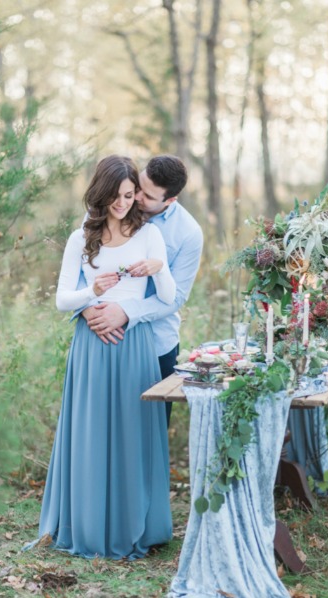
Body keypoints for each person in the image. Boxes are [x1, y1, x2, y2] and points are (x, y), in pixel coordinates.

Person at [34, 155, 175, 560]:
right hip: (92, 348)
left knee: (133, 433)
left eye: (129, 195)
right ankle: (90, 523)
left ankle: (137, 523)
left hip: (134, 346)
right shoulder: (81, 237)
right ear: (101, 194)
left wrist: (158, 269)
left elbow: (167, 297)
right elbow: (63, 299)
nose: (123, 203)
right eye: (115, 196)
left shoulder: (149, 236)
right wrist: (92, 293)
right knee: (92, 433)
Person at [81, 155, 204, 426]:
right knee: (101, 426)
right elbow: (79, 269)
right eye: (138, 186)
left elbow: (177, 298)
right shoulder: (107, 208)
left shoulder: (188, 233)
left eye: (146, 196)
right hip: (101, 339)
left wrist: (125, 312)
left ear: (169, 201)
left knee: (150, 430)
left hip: (156, 345)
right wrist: (87, 309)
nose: (134, 197)